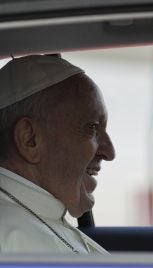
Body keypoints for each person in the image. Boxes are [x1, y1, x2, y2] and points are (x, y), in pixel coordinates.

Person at [0, 55, 115, 253]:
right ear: (30, 140)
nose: (109, 152)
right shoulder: (18, 243)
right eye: (92, 128)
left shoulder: (36, 217)